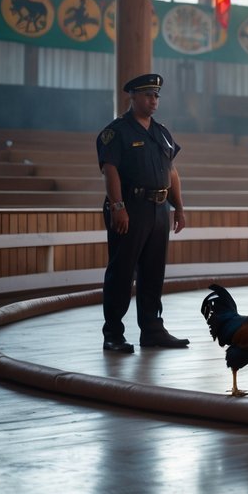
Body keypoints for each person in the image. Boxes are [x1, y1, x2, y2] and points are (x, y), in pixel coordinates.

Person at [96, 73, 190, 353]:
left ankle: (152, 329)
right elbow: (110, 169)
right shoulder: (117, 131)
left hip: (159, 207)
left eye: (156, 96)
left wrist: (179, 207)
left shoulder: (161, 132)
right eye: (148, 95)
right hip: (130, 206)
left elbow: (171, 171)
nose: (153, 100)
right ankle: (113, 333)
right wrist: (118, 205)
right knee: (122, 272)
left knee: (153, 272)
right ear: (133, 97)